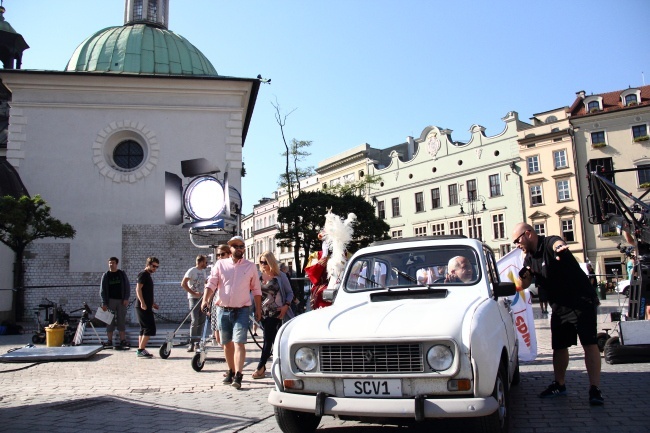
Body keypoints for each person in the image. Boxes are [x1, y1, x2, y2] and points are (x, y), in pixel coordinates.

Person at [512, 222, 604, 406]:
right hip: (560, 306)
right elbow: (522, 285)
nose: (517, 244)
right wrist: (524, 275)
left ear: (528, 234)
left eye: (517, 240)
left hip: (581, 301)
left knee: (589, 343)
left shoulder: (549, 243)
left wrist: (560, 247)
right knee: (559, 347)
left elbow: (558, 243)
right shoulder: (529, 258)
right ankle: (559, 384)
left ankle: (595, 389)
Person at [201, 236, 262, 390]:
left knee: (239, 342)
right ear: (230, 249)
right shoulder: (220, 264)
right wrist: (205, 300)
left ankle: (239, 375)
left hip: (242, 309)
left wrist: (258, 309)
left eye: (242, 246)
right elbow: (212, 283)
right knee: (226, 344)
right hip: (223, 309)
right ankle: (231, 370)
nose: (240, 248)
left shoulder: (250, 267)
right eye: (236, 246)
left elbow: (256, 289)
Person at [252, 251, 294, 379]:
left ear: (271, 262)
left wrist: (285, 306)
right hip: (262, 312)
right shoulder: (258, 277)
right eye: (261, 262)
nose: (263, 265)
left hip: (276, 311)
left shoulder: (280, 276)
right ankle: (284, 363)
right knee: (273, 338)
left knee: (267, 338)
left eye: (265, 262)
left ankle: (260, 367)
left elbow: (290, 293)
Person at [99, 257, 131, 349]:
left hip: (121, 301)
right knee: (109, 321)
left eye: (113, 263)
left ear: (116, 264)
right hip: (110, 301)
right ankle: (109, 341)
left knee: (121, 320)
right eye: (109, 263)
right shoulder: (106, 275)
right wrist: (104, 302)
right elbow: (102, 290)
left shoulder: (121, 274)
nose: (111, 264)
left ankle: (122, 340)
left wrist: (126, 298)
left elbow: (127, 286)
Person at [181, 255, 208, 352]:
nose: (206, 264)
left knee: (201, 320)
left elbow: (205, 283)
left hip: (202, 298)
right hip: (193, 298)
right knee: (195, 320)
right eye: (205, 262)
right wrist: (193, 293)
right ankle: (191, 343)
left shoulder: (204, 272)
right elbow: (183, 284)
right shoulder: (191, 271)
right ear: (201, 262)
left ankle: (197, 342)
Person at [135, 257, 160, 358]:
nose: (155, 268)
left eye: (156, 267)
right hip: (142, 306)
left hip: (147, 305)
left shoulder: (148, 275)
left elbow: (147, 292)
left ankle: (141, 349)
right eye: (153, 266)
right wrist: (142, 303)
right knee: (149, 328)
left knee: (144, 328)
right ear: (148, 264)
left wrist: (152, 303)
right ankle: (141, 349)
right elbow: (138, 289)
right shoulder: (143, 274)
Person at [210, 244, 231, 346]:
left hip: (229, 302)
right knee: (216, 327)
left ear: (229, 254)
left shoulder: (233, 267)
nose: (219, 257)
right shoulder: (217, 266)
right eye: (218, 255)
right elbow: (211, 284)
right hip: (217, 299)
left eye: (222, 254)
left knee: (226, 332)